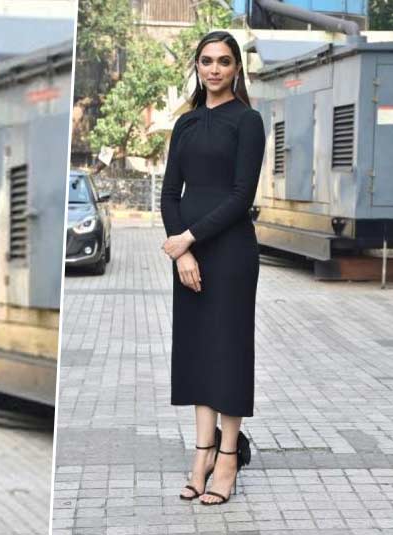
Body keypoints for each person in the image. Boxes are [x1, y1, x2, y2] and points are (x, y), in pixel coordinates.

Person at [160, 30, 265, 505]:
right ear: (197, 67)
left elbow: (242, 197)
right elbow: (169, 194)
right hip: (191, 256)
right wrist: (182, 253)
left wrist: (188, 238)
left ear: (236, 68)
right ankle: (201, 452)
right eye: (207, 61)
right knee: (199, 352)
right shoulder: (184, 125)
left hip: (232, 254)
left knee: (229, 351)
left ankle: (227, 458)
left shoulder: (248, 121)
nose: (215, 69)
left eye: (224, 61)